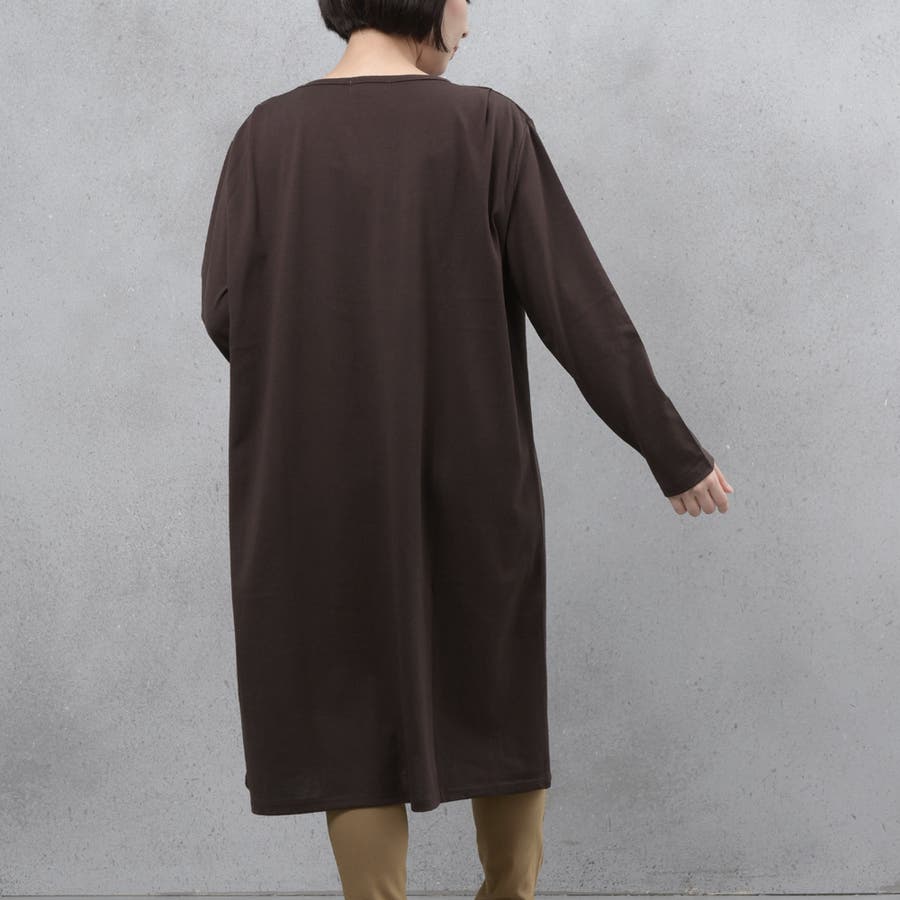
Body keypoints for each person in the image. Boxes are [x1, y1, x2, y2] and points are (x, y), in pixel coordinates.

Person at [200, 1, 733, 896]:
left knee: (350, 711)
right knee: (494, 686)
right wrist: (672, 450)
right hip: (473, 471)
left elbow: (226, 310)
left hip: (316, 486)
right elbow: (577, 306)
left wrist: (324, 378)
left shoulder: (265, 137)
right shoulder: (488, 126)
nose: (470, 24)